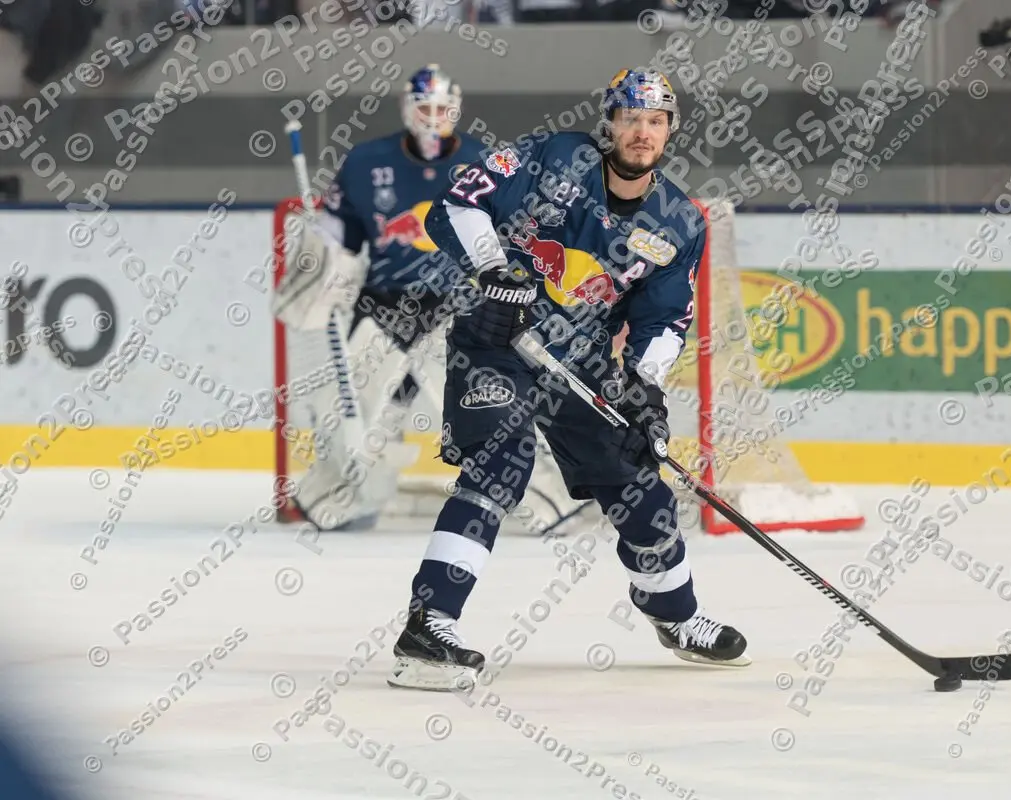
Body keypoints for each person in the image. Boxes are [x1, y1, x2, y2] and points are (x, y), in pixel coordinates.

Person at [387, 69, 750, 691]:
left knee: (640, 484)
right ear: (608, 123)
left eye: (656, 121)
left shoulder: (676, 222)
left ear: (670, 131)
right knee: (502, 462)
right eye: (631, 119)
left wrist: (644, 384)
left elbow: (664, 317)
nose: (643, 132)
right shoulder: (551, 158)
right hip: (497, 341)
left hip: (578, 363)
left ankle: (675, 614)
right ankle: (430, 622)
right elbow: (457, 203)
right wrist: (495, 267)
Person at [276, 64, 587, 535]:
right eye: (424, 107)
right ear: (407, 108)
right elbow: (340, 231)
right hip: (384, 306)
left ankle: (548, 501)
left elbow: (516, 231)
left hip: (461, 307)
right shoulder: (365, 162)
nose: (433, 117)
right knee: (355, 409)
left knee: (493, 405)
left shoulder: (487, 162)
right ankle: (340, 500)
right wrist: (323, 258)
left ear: (456, 109)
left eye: (442, 108)